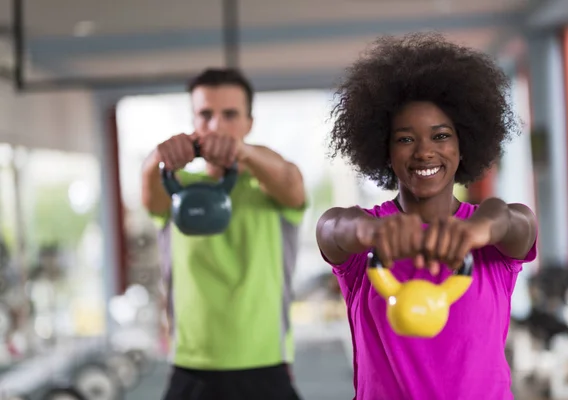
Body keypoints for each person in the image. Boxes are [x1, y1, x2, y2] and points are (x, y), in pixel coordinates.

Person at [316, 33, 538, 400]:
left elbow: (516, 220)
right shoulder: (363, 243)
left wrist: (479, 230)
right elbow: (332, 227)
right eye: (405, 139)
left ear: (462, 144)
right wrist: (373, 231)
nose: (424, 152)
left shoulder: (490, 240)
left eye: (441, 136)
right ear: (384, 150)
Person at [141, 68, 306, 400]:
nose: (216, 125)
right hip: (191, 369)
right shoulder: (178, 190)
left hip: (265, 367)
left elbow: (290, 179)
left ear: (249, 123)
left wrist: (240, 152)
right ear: (193, 121)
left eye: (229, 114)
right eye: (205, 114)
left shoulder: (269, 189)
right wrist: (160, 155)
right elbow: (147, 189)